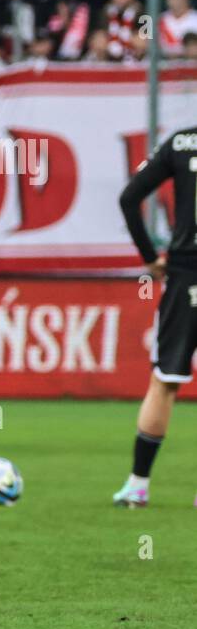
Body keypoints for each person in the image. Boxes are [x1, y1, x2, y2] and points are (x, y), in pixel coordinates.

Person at [112, 125, 197, 508]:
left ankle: (137, 485)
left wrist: (149, 256)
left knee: (165, 381)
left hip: (184, 275)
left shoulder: (181, 142)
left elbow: (130, 198)